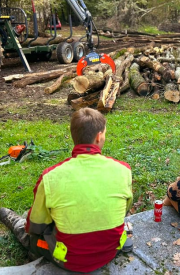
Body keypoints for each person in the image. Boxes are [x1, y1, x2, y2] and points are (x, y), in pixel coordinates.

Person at [23, 107, 133, 273]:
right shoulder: (124, 170)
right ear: (99, 136)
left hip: (67, 259)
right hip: (111, 251)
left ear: (74, 136)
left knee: (31, 235)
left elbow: (36, 227)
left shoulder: (50, 177)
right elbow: (124, 210)